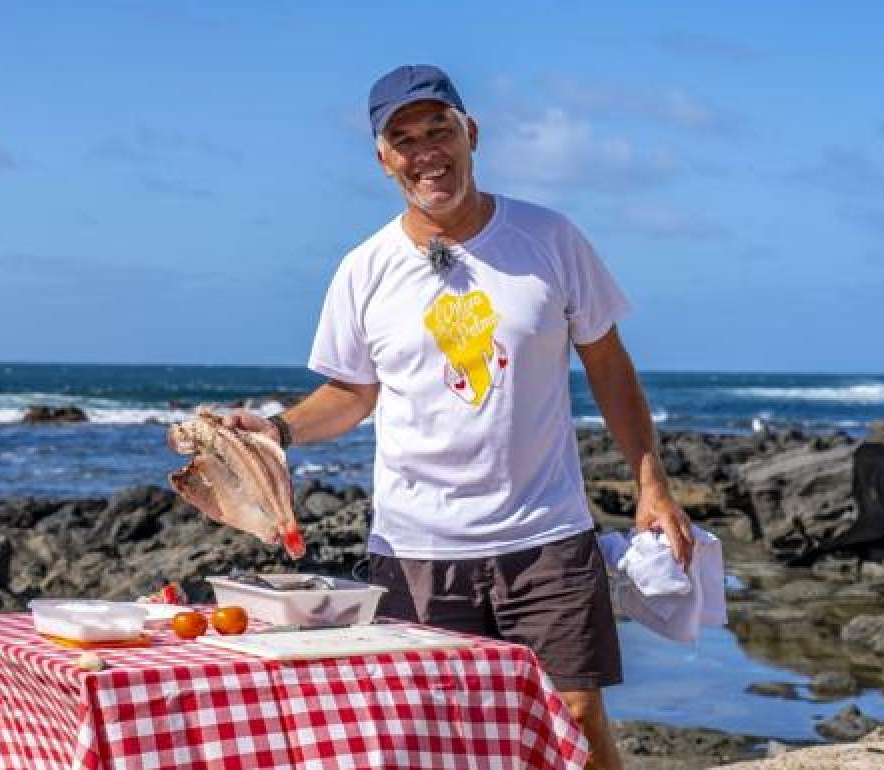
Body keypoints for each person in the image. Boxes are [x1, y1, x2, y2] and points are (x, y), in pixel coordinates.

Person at [223, 64, 693, 770]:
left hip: (545, 534)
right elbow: (352, 393)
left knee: (573, 715)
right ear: (383, 159)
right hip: (416, 547)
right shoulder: (364, 269)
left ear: (471, 133)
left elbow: (608, 364)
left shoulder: (550, 238)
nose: (426, 153)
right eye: (405, 140)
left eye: (438, 130)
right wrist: (278, 429)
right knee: (435, 735)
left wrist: (651, 484)